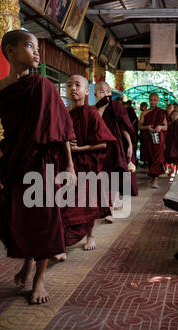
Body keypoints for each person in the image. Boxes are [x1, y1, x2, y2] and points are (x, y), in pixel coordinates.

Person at [0, 30, 77, 304]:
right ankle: (26, 259)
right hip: (13, 160)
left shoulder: (44, 87)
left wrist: (70, 167)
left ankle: (39, 278)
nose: (37, 52)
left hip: (43, 163)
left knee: (44, 220)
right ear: (10, 52)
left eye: (38, 48)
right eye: (30, 46)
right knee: (3, 214)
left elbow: (61, 131)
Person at [56, 75, 116, 259]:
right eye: (68, 85)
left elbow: (105, 143)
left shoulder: (91, 113)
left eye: (77, 85)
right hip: (67, 164)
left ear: (87, 91)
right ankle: (60, 242)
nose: (72, 88)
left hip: (86, 163)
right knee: (65, 203)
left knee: (86, 202)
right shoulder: (63, 112)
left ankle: (90, 236)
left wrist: (80, 148)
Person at [94, 81, 138, 222]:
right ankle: (104, 206)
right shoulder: (94, 109)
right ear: (95, 95)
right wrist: (101, 107)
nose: (105, 94)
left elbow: (124, 127)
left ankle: (110, 209)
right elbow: (95, 125)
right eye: (101, 92)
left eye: (107, 91)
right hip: (99, 147)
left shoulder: (116, 107)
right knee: (101, 178)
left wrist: (130, 144)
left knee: (113, 178)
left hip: (115, 146)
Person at [138, 93, 167, 189]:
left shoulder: (161, 112)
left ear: (158, 101)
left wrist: (160, 127)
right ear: (149, 100)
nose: (152, 102)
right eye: (151, 100)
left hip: (159, 138)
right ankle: (153, 175)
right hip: (148, 138)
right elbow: (139, 127)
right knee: (151, 158)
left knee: (157, 158)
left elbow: (166, 127)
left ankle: (155, 180)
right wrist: (147, 127)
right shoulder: (145, 113)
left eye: (155, 100)